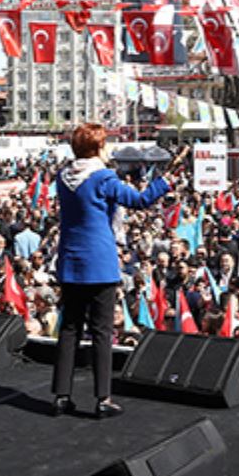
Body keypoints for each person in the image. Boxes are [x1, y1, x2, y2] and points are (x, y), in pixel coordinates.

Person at [51, 123, 171, 419]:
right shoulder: (103, 178)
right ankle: (103, 399)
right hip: (99, 263)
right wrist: (163, 180)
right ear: (96, 148)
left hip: (70, 261)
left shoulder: (61, 177)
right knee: (102, 331)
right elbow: (140, 201)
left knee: (69, 329)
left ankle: (61, 396)